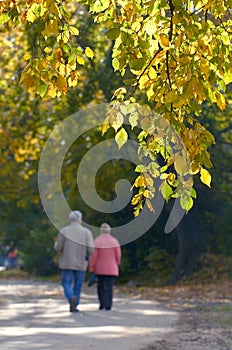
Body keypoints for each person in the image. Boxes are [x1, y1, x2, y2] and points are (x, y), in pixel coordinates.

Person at [54, 210, 94, 312]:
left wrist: (56, 245)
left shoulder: (64, 231)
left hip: (67, 262)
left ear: (70, 219)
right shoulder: (87, 232)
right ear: (80, 219)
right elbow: (91, 249)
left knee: (66, 282)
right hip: (81, 263)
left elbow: (58, 247)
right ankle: (75, 306)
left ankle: (71, 296)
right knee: (78, 284)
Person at [89, 223, 121, 311]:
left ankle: (102, 304)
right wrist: (117, 263)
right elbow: (118, 255)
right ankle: (109, 304)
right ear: (109, 231)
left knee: (101, 287)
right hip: (112, 268)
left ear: (101, 231)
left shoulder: (97, 241)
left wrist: (91, 267)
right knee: (109, 287)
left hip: (100, 268)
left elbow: (93, 256)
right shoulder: (115, 241)